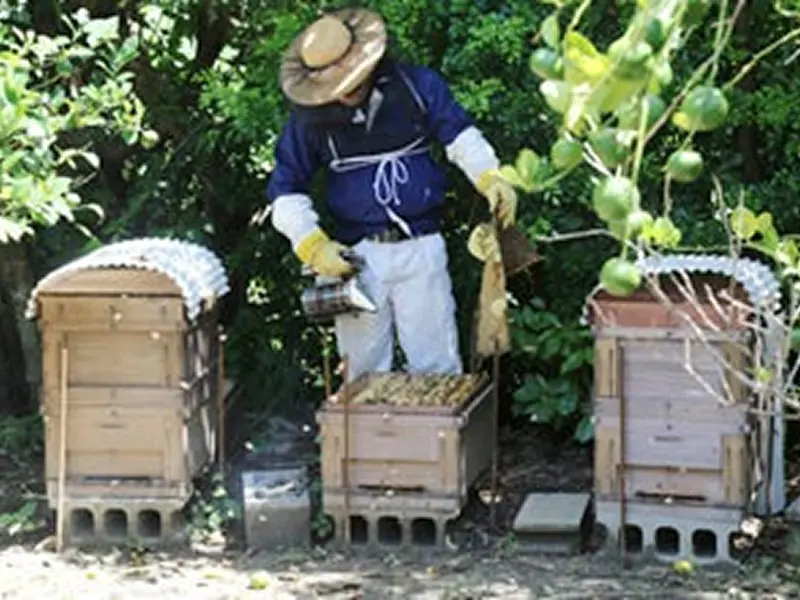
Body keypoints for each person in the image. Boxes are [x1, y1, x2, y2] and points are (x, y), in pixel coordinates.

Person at [265, 7, 517, 381]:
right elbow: (285, 190)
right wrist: (314, 246)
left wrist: (491, 177)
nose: (346, 90)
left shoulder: (416, 86)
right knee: (362, 375)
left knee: (437, 369)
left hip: (421, 245)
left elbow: (460, 136)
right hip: (357, 257)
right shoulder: (307, 120)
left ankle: (437, 423)